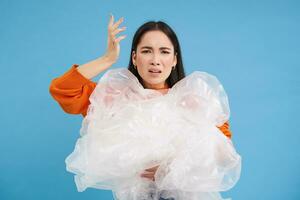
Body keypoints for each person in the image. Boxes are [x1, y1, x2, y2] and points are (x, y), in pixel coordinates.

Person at [49, 14, 239, 200]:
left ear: (174, 60)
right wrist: (107, 59)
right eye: (146, 51)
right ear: (134, 57)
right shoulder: (115, 98)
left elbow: (223, 153)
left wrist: (172, 169)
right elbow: (63, 89)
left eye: (164, 51)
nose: (155, 60)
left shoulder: (193, 99)